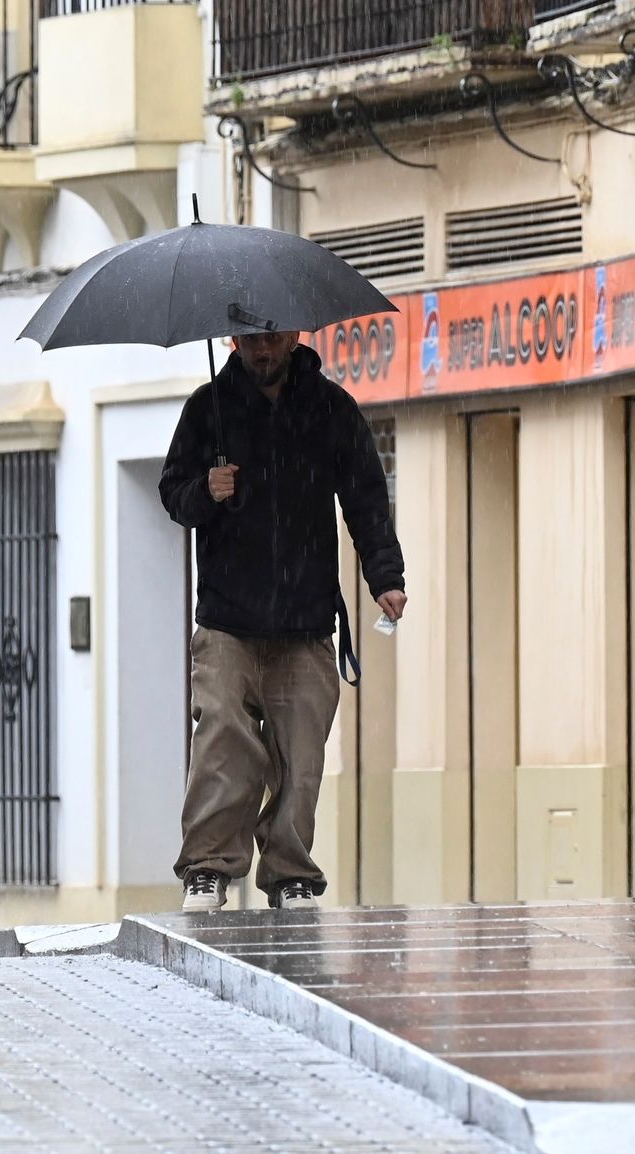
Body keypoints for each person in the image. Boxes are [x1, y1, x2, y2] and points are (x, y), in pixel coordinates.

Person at [160, 330, 406, 913]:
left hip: (306, 618)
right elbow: (172, 494)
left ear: (294, 336)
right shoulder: (207, 409)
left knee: (303, 754)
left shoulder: (331, 410)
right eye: (250, 341)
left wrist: (385, 576)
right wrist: (206, 491)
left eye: (271, 339)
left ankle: (290, 871)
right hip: (226, 619)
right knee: (222, 737)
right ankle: (208, 867)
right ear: (231, 342)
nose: (261, 351)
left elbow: (366, 499)